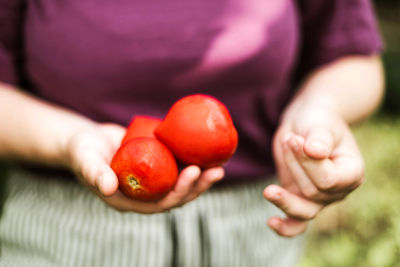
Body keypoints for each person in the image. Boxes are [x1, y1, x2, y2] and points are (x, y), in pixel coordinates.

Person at [0, 0, 384, 266]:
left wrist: (318, 109)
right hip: (65, 231)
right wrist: (69, 139)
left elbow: (352, 56)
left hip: (254, 232)